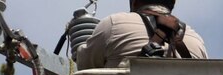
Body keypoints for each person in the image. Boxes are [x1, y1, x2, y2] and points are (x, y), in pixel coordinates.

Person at [76, 0, 208, 70]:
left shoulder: (115, 24)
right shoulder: (195, 40)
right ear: (171, 4)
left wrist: (79, 33)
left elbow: (85, 68)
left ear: (134, 2)